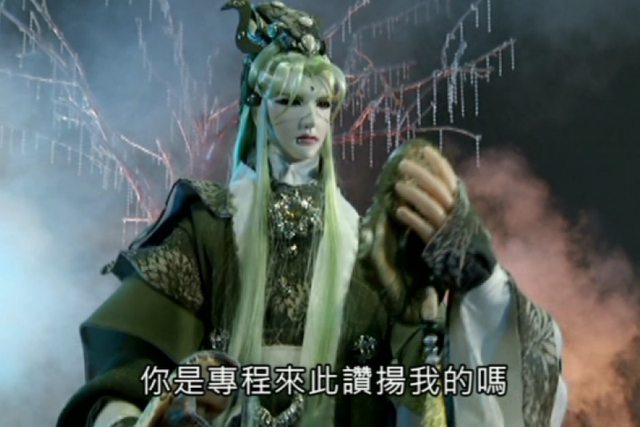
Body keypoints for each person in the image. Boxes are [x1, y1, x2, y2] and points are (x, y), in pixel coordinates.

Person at [57, 1, 567, 426]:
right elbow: (127, 360)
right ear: (259, 108)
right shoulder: (208, 224)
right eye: (289, 100)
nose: (310, 118)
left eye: (322, 104)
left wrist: (480, 285)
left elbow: (434, 387)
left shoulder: (367, 250)